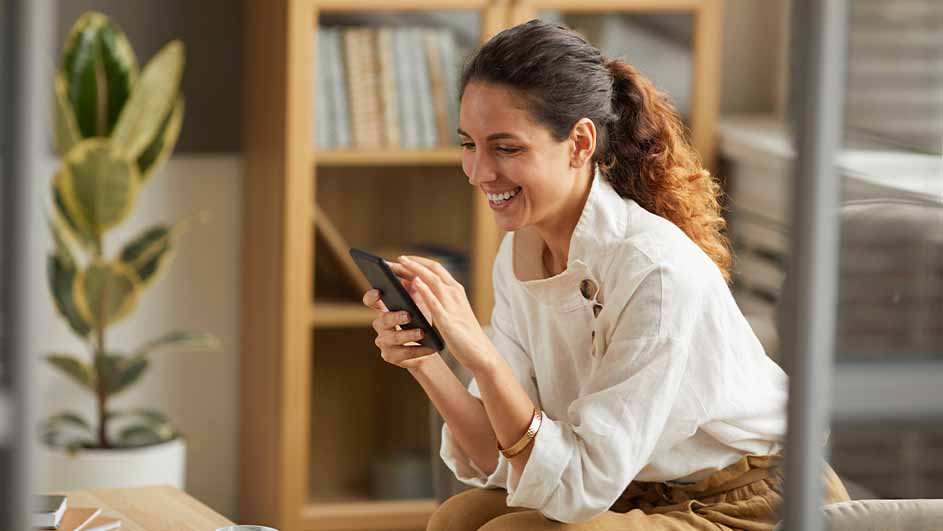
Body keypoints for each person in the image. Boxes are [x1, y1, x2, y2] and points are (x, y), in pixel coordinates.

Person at [362, 19, 849, 530]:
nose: (479, 172)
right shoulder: (519, 254)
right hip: (630, 485)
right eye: (469, 144)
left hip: (749, 501)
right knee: (457, 518)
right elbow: (499, 459)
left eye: (506, 148)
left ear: (579, 143)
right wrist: (428, 360)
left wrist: (481, 356)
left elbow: (576, 485)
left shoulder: (654, 271)